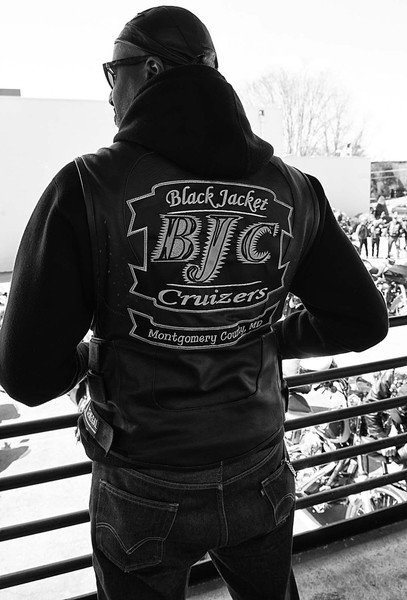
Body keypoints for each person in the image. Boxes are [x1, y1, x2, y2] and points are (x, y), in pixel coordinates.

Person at [0, 6, 389, 600]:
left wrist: (87, 359)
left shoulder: (86, 187)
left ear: (151, 70)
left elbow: (25, 374)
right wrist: (270, 335)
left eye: (113, 73)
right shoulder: (295, 188)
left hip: (143, 480)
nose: (109, 93)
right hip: (258, 464)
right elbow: (362, 320)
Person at [364, 369, 407, 466]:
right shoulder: (392, 376)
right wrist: (382, 438)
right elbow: (371, 404)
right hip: (399, 425)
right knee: (366, 447)